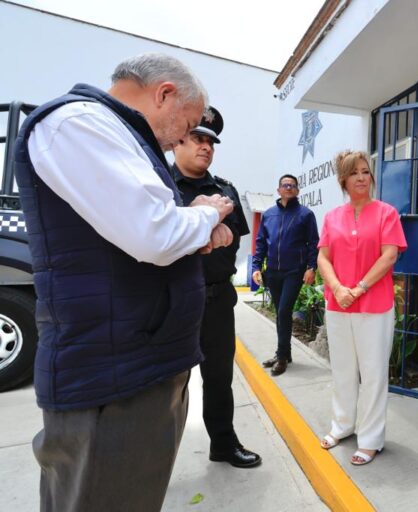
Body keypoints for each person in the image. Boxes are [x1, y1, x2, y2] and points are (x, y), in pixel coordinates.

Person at [14, 53, 235, 511]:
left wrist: (192, 229)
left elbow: (150, 233)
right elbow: (155, 233)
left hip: (138, 366)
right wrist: (205, 214)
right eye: (187, 124)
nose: (182, 138)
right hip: (111, 380)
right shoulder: (77, 125)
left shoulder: (117, 134)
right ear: (164, 94)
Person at [172, 106, 260, 468]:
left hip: (218, 299)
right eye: (197, 138)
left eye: (210, 142)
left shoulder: (225, 189)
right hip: (173, 300)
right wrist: (205, 225)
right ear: (178, 141)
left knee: (219, 378)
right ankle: (152, 461)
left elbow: (232, 240)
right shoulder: (160, 188)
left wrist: (200, 230)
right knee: (167, 385)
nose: (206, 147)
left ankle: (223, 444)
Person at [316, 150, 406, 466]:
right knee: (342, 369)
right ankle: (342, 426)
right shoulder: (332, 217)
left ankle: (370, 439)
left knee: (373, 374)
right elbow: (323, 257)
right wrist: (338, 289)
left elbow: (389, 255)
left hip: (374, 305)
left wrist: (359, 288)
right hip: (339, 305)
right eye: (354, 173)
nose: (361, 178)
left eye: (365, 172)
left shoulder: (386, 213)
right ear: (343, 179)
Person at [252, 174, 319, 376]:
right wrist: (256, 266)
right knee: (281, 313)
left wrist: (311, 267)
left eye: (292, 185)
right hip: (272, 272)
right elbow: (261, 242)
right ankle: (286, 353)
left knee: (283, 311)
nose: (288, 187)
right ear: (278, 189)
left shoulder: (306, 214)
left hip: (294, 271)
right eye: (285, 185)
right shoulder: (269, 214)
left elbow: (313, 243)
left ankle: (281, 356)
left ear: (297, 190)